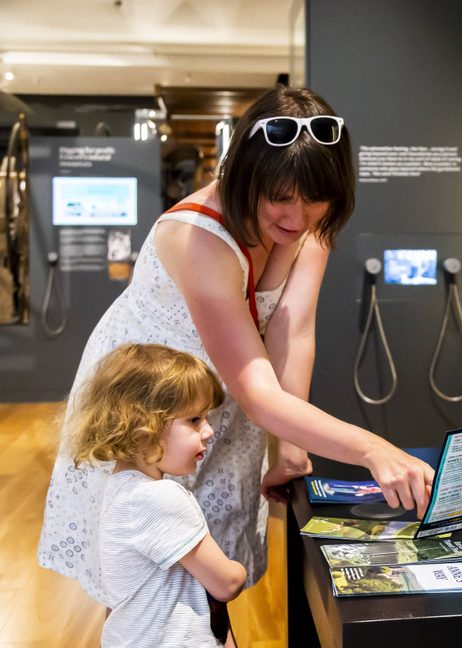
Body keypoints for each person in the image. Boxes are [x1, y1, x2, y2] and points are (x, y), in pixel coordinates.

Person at [38, 85, 435, 605]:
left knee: (208, 589)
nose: (297, 217)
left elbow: (292, 330)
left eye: (315, 199)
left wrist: (291, 449)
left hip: (220, 400)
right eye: (281, 199)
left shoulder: (309, 223)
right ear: (249, 176)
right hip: (151, 412)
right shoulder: (198, 236)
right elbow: (257, 391)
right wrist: (372, 449)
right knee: (147, 594)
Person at [71, 344, 247, 648]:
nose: (208, 431)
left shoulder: (120, 491)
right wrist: (237, 567)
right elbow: (225, 584)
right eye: (194, 420)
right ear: (144, 425)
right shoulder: (161, 498)